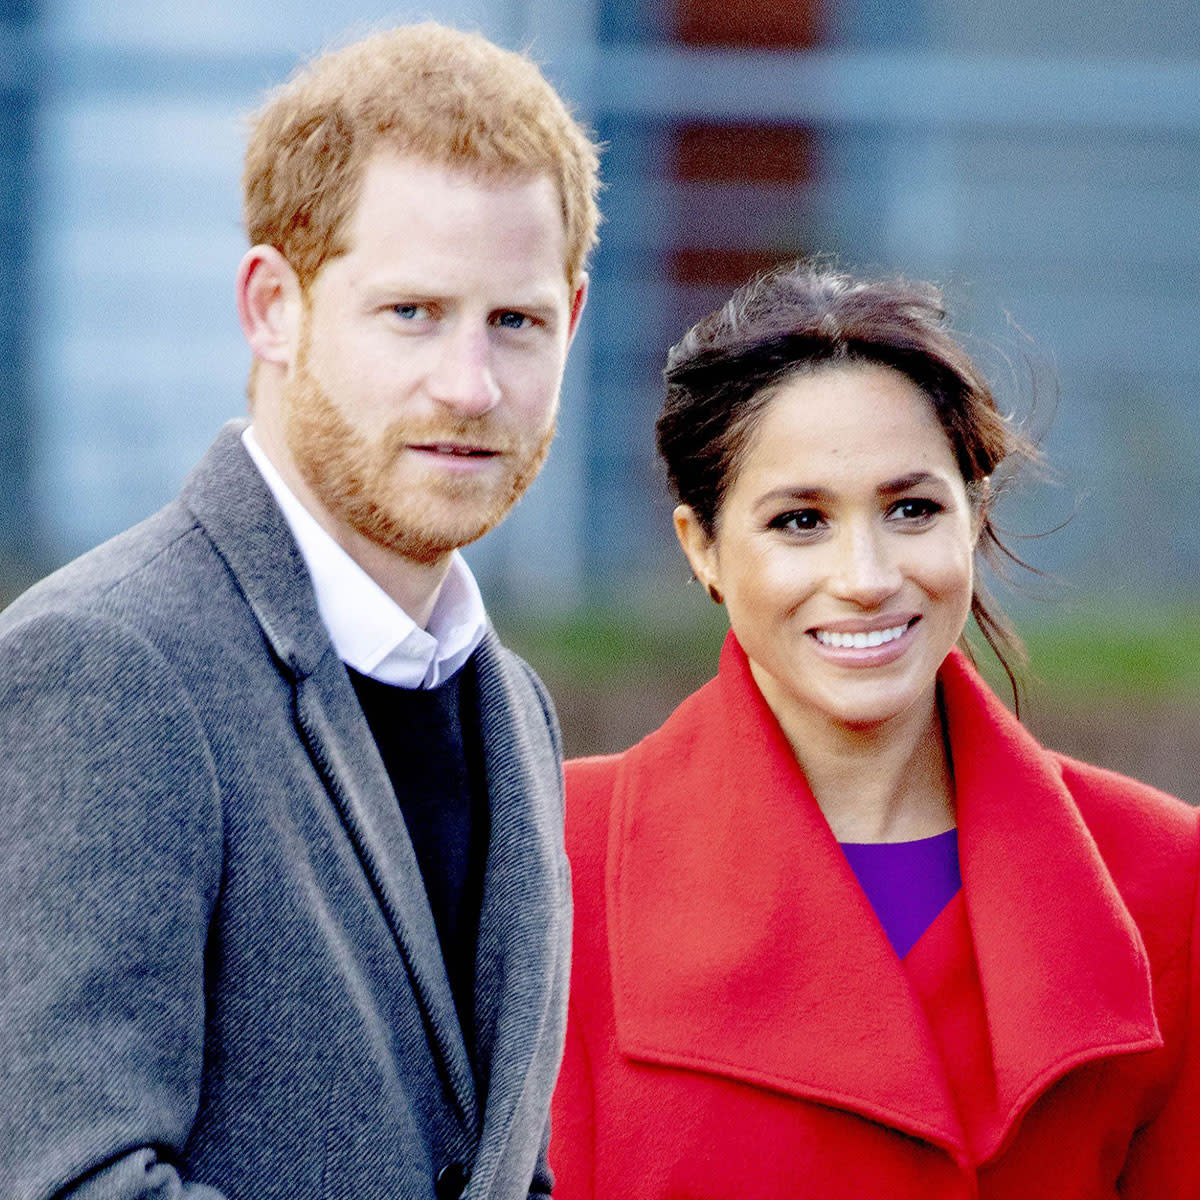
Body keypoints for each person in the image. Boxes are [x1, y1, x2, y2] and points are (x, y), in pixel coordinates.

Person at [0, 22, 598, 1200]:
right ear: (274, 306)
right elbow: (65, 1180)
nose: (469, 387)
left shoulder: (511, 706)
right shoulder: (104, 667)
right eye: (412, 313)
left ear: (573, 320)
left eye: (514, 322)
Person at [550, 263, 1200, 1198]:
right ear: (703, 547)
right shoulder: (555, 858)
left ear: (973, 521)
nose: (866, 574)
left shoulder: (1161, 877)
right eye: (800, 520)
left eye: (911, 510)